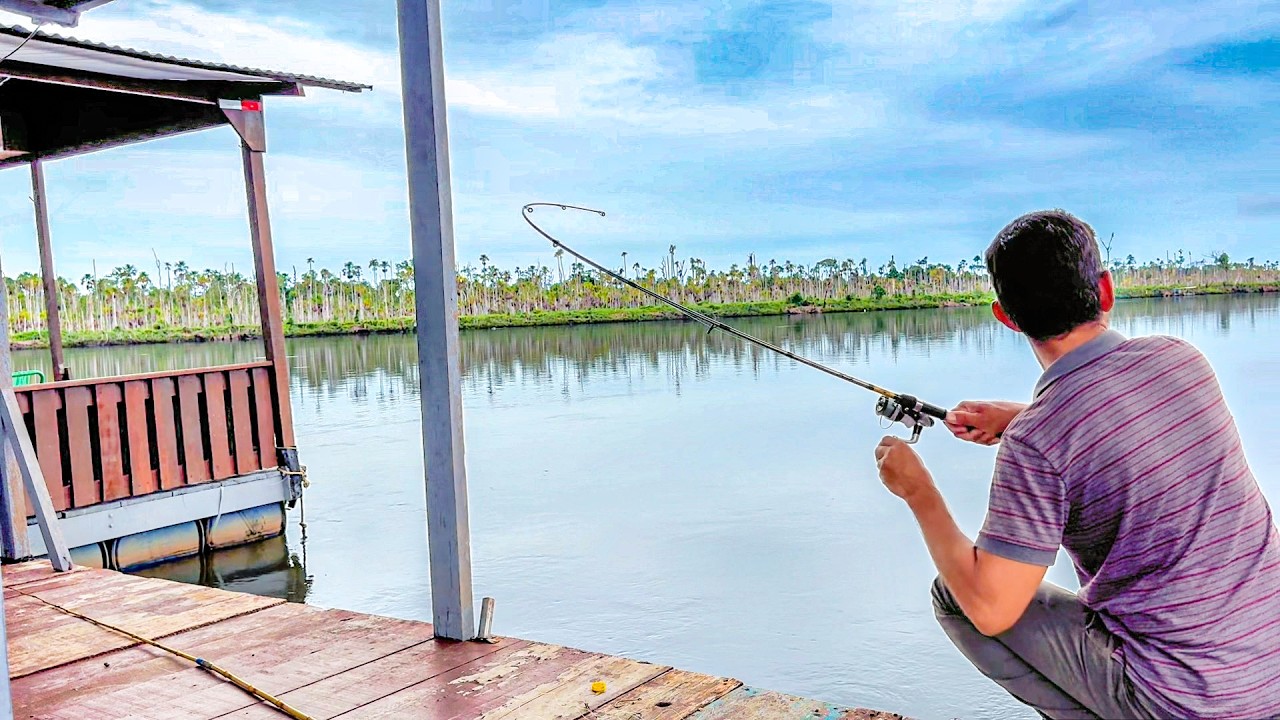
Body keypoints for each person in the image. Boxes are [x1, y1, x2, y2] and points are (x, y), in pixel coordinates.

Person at [873, 210, 1280, 719]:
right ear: (1105, 291)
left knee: (956, 596)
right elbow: (1128, 428)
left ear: (1006, 317)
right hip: (1270, 675)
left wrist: (920, 492)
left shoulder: (1039, 440)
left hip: (1188, 702)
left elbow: (992, 608)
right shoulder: (1183, 360)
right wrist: (1021, 419)